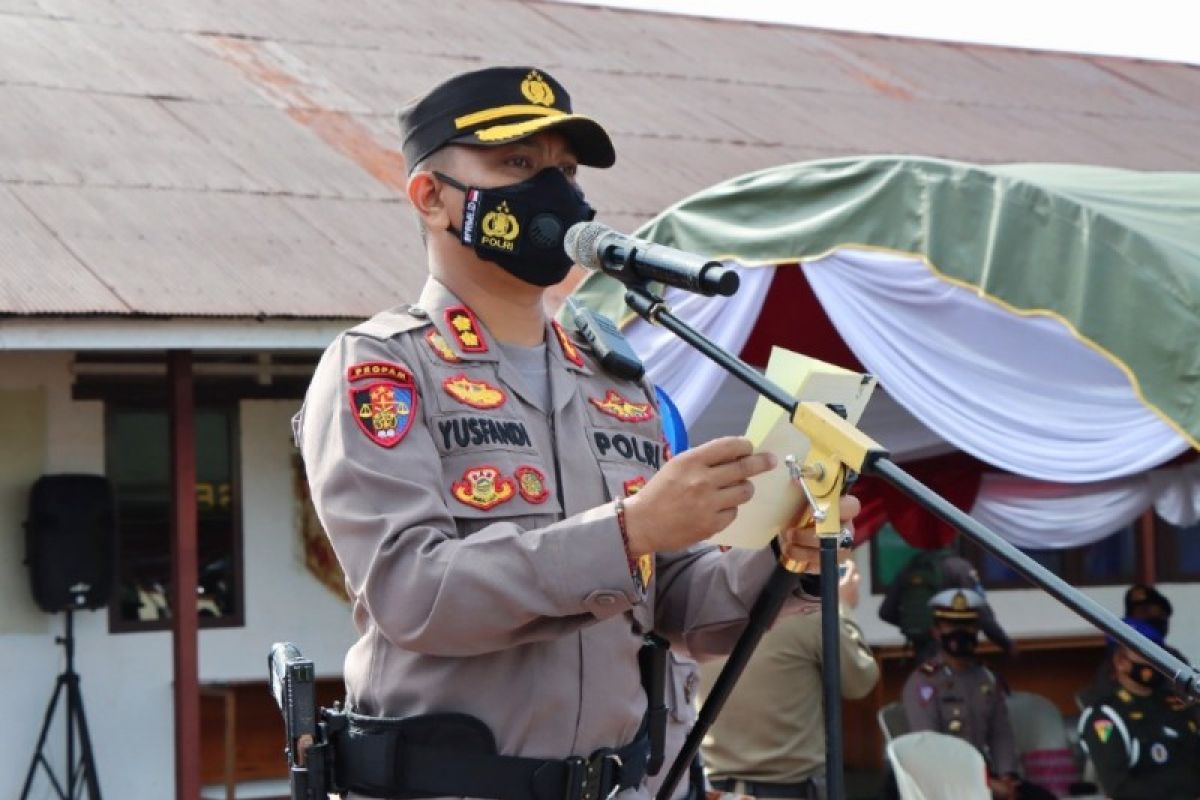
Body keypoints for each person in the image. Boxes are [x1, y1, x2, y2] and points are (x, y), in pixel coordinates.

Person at [295, 65, 858, 800]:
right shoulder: (383, 368)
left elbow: (681, 608)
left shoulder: (616, 384)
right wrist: (627, 532)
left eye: (564, 169)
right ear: (431, 197)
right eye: (518, 165)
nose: (555, 193)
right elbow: (414, 595)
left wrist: (787, 563)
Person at [699, 558, 880, 800]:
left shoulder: (698, 605)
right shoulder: (807, 611)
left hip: (712, 788)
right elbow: (860, 681)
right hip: (790, 788)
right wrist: (839, 606)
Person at [900, 589, 1052, 800]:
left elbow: (1001, 734)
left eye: (968, 625)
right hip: (943, 783)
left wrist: (1007, 776)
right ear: (936, 630)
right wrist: (989, 785)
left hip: (987, 776)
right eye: (952, 625)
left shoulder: (986, 679)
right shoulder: (923, 683)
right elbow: (930, 752)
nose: (961, 632)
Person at [1078, 618, 1200, 799]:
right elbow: (1118, 786)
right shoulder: (1105, 715)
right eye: (1147, 655)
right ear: (1121, 661)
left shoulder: (1179, 703)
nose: (1154, 662)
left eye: (1158, 654)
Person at [879, 549, 1013, 661]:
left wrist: (917, 625)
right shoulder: (959, 568)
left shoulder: (910, 568)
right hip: (956, 651)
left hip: (921, 652)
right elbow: (982, 614)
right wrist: (1007, 645)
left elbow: (886, 612)